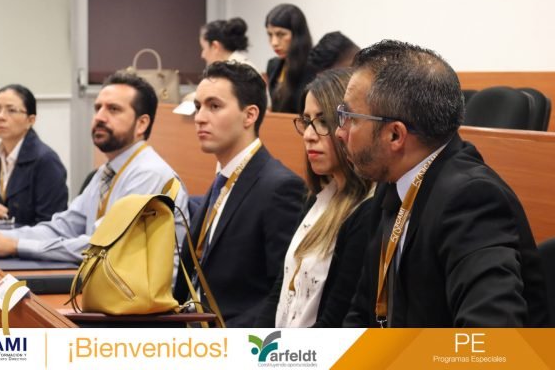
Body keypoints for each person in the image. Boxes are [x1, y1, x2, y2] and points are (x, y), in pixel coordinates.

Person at [337, 40, 547, 327]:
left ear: (395, 136)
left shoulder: (472, 200)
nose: (339, 132)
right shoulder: (392, 180)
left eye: (349, 117)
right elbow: (363, 312)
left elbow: (490, 339)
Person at [0, 71, 190, 267]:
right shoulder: (106, 172)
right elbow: (62, 227)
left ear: (141, 124)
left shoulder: (149, 174)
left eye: (113, 109)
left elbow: (103, 246)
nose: (99, 117)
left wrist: (16, 245)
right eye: (98, 108)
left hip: (140, 299)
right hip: (105, 284)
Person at [173, 61, 305, 327]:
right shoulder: (221, 180)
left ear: (249, 115)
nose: (199, 117)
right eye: (198, 106)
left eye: (214, 106)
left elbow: (282, 292)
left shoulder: (279, 187)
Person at [256, 68, 373, 328]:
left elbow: (335, 319)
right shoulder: (317, 197)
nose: (309, 135)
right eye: (306, 121)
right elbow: (280, 290)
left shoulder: (365, 212)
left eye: (323, 122)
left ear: (348, 125)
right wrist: (255, 346)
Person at [0, 84, 68, 226]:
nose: (1, 117)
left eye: (11, 110)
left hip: (27, 239)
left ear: (30, 120)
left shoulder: (46, 161)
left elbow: (51, 223)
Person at [265, 3, 315, 114]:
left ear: (298, 35)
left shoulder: (313, 67)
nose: (274, 42)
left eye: (281, 34)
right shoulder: (273, 65)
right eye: (270, 35)